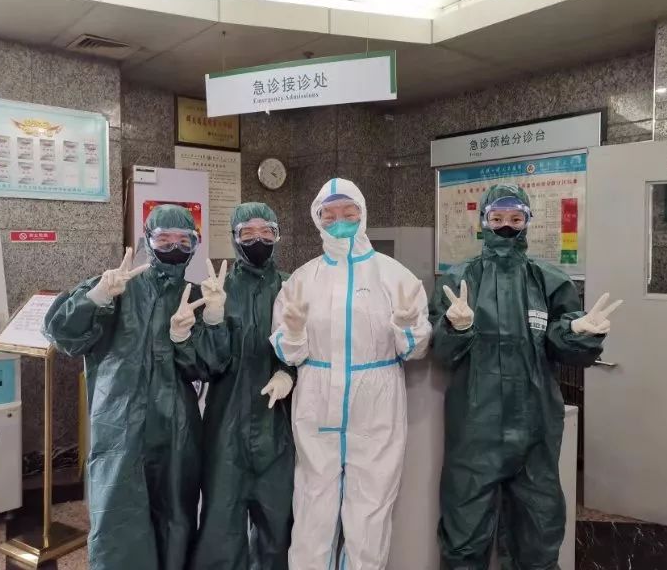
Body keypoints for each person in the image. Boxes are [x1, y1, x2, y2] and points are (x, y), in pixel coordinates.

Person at [430, 184, 622, 570]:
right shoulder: (460, 279)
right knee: (464, 534)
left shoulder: (549, 280)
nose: (506, 226)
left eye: (516, 219)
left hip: (535, 427)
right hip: (475, 429)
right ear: (483, 221)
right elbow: (442, 353)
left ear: (528, 222)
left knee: (539, 532)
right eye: (497, 218)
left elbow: (564, 348)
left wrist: (579, 334)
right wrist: (455, 329)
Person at [43, 205, 230, 570]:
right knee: (117, 513)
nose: (174, 247)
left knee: (175, 514)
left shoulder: (195, 295)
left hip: (176, 426)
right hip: (118, 422)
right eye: (164, 239)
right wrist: (96, 296)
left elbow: (210, 367)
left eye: (184, 241)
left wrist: (209, 319)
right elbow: (62, 334)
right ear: (147, 240)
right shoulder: (119, 286)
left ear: (195, 244)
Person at [269, 177, 432, 570]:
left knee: (370, 512)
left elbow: (414, 350)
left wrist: (408, 327)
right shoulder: (302, 280)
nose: (339, 220)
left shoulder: (395, 276)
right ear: (317, 218)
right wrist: (293, 333)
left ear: (363, 214)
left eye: (349, 212)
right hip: (316, 398)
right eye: (329, 214)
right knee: (312, 508)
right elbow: (289, 353)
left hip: (376, 402)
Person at [179, 202, 296, 570]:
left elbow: (310, 346)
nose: (257, 239)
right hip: (225, 423)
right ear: (234, 237)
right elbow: (205, 365)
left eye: (266, 232)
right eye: (247, 233)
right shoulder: (218, 288)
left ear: (277, 235)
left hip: (277, 425)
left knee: (277, 522)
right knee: (221, 521)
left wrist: (288, 373)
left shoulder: (293, 286)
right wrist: (213, 319)